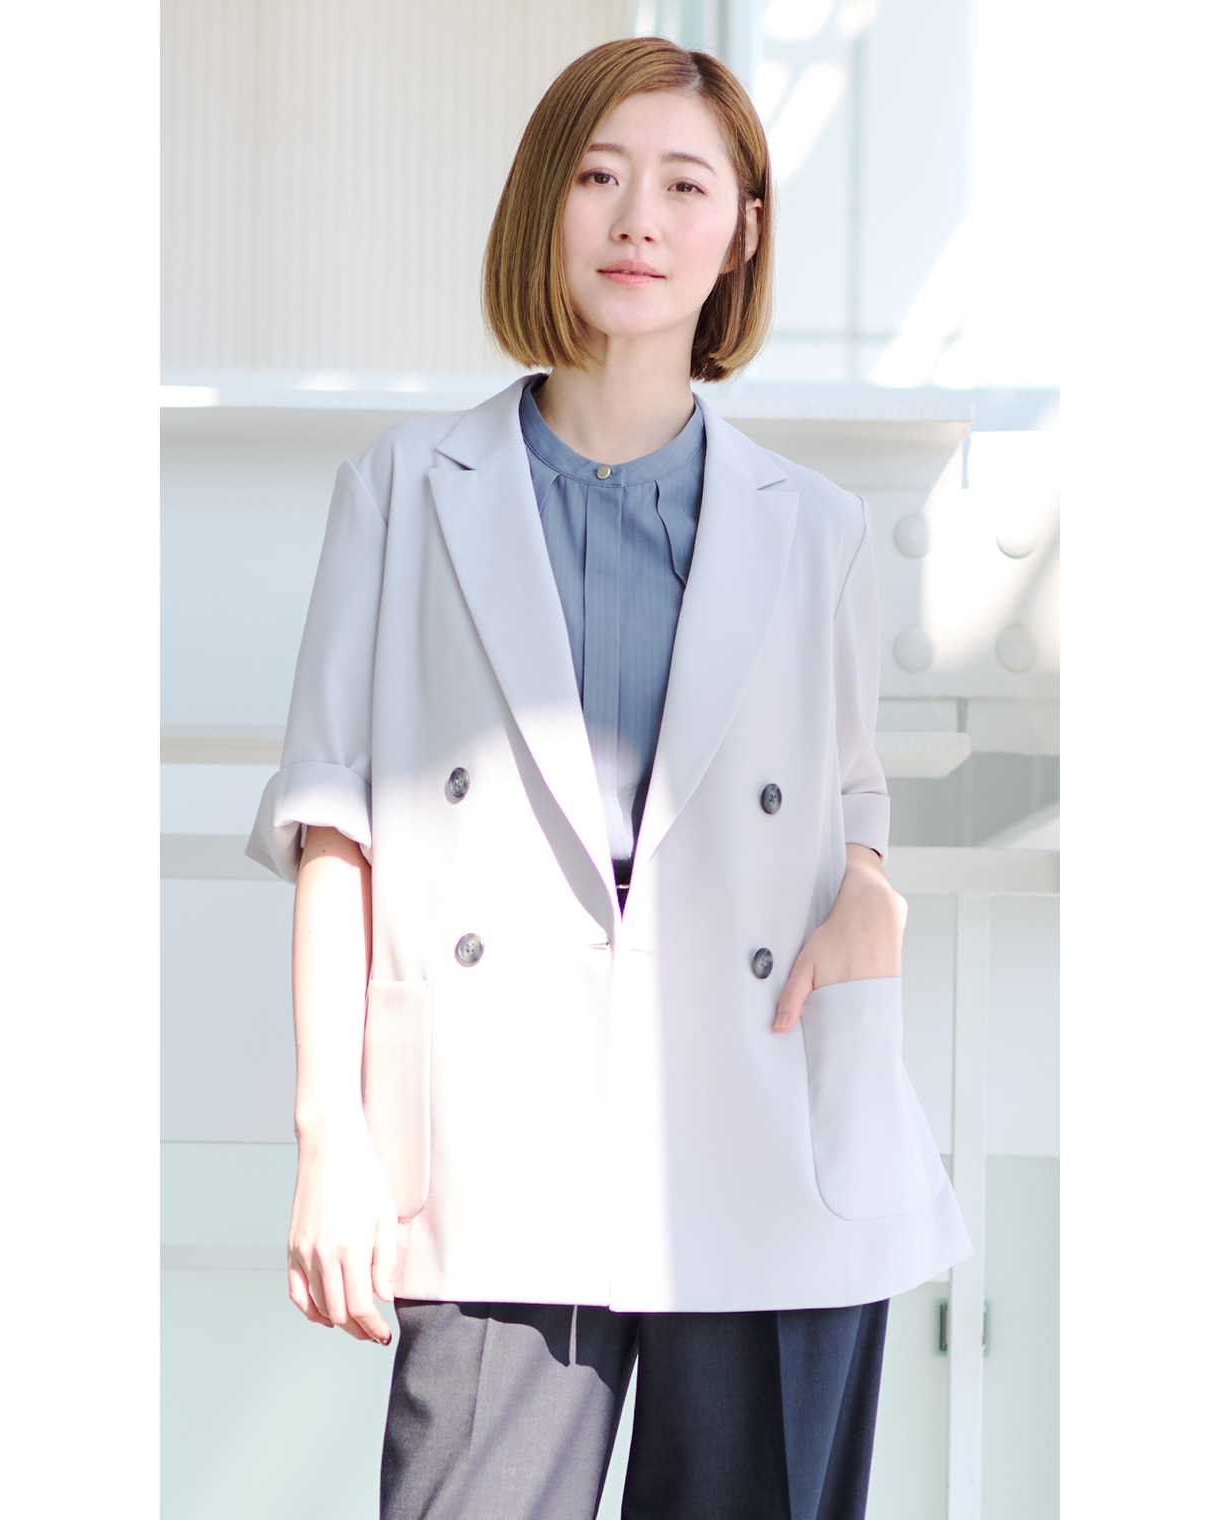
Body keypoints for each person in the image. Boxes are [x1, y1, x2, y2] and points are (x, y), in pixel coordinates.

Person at [245, 35, 972, 1518]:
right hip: (492, 1138)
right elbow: (334, 829)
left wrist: (873, 895)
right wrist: (330, 1140)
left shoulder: (816, 528)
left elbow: (847, 802)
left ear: (741, 232)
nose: (639, 219)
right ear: (545, 203)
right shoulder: (403, 488)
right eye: (598, 176)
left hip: (771, 1125)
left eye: (685, 185)